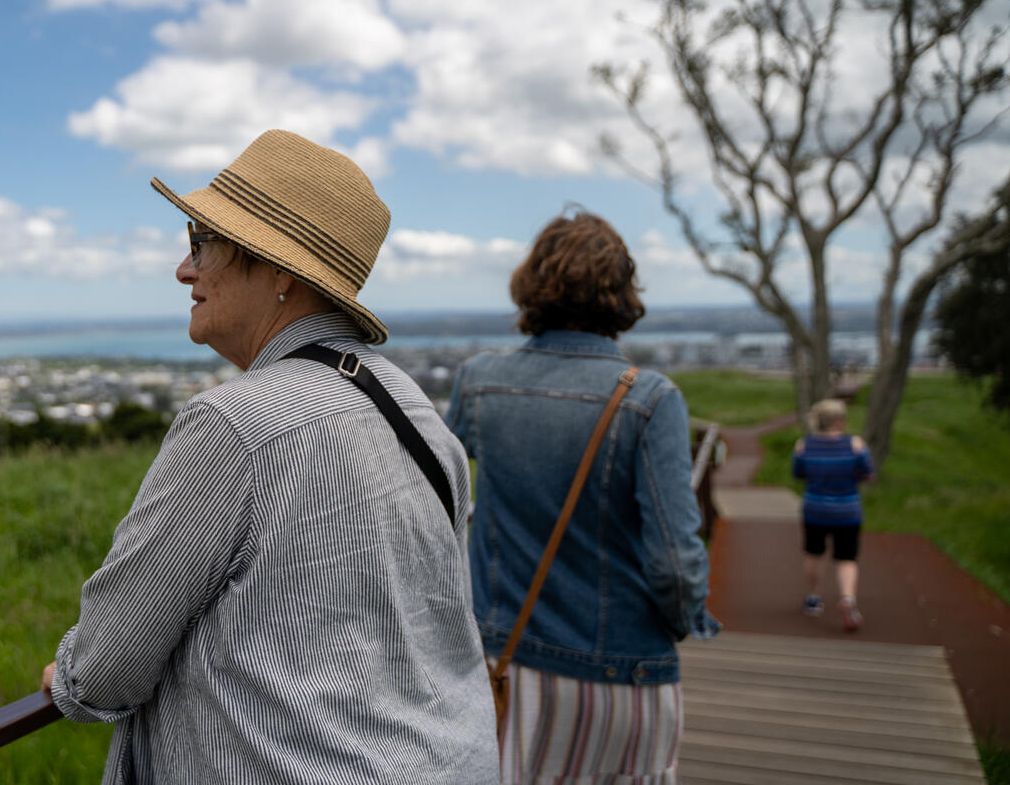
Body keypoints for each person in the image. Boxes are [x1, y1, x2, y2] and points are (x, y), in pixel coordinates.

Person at [40, 130, 498, 784]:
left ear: (281, 271)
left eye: (204, 241)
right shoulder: (420, 417)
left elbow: (105, 671)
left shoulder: (233, 428)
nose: (184, 268)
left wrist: (70, 674)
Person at [445, 211, 718, 784]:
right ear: (622, 293)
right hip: (623, 670)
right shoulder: (651, 399)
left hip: (503, 661)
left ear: (530, 285)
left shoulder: (479, 380)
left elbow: (440, 499)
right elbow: (674, 561)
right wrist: (687, 619)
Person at [793, 398, 875, 632]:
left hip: (815, 508)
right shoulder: (855, 444)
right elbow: (868, 473)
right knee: (847, 558)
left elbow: (798, 473)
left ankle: (813, 598)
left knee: (813, 553)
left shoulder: (804, 445)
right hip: (847, 509)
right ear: (840, 421)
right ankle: (848, 599)